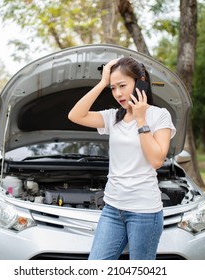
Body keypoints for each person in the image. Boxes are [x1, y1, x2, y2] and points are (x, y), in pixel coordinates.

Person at [68, 57, 176, 260]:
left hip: (145, 213)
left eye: (122, 86)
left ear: (140, 82)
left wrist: (140, 119)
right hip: (112, 209)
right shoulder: (112, 117)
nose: (117, 93)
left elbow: (156, 160)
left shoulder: (160, 116)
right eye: (113, 88)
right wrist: (102, 82)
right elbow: (75, 115)